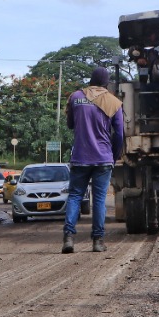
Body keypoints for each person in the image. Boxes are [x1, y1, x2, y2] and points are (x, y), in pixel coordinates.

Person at [62, 66, 125, 254]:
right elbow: (120, 134)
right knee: (99, 200)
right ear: (107, 83)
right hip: (103, 158)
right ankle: (98, 241)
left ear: (91, 80)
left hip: (80, 157)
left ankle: (68, 239)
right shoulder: (114, 102)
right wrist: (113, 156)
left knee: (74, 196)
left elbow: (70, 124)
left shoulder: (75, 97)